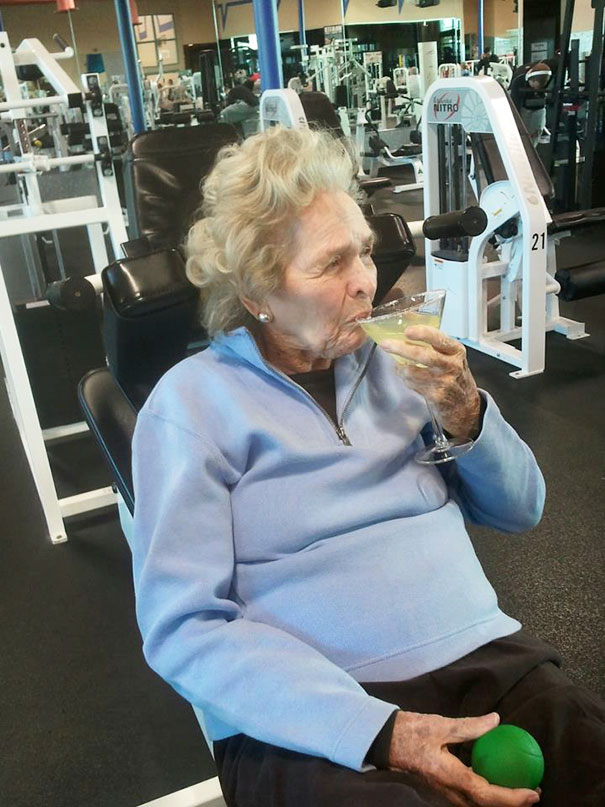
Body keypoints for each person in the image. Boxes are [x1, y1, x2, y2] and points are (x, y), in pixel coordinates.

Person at [131, 126, 605, 807]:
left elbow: (521, 506)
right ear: (258, 290)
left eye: (364, 252)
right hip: (311, 705)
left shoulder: (400, 362)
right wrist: (376, 731)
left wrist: (467, 412)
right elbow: (182, 628)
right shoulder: (191, 405)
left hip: (483, 661)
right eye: (330, 265)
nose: (366, 282)